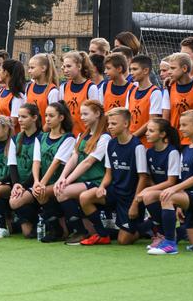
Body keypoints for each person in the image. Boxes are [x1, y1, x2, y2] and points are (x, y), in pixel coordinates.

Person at [147, 110, 193, 255]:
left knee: (166, 196)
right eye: (180, 125)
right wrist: (179, 205)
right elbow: (184, 178)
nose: (181, 128)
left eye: (184, 125)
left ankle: (169, 243)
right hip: (190, 197)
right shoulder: (186, 149)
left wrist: (174, 191)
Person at [78, 107, 148, 246]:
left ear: (126, 124)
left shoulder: (137, 146)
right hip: (114, 192)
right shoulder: (111, 143)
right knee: (85, 197)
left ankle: (147, 226)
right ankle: (102, 235)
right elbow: (109, 173)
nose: (110, 127)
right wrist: (102, 187)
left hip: (130, 197)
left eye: (114, 124)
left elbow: (143, 178)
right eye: (109, 124)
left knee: (123, 241)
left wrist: (135, 204)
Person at [54, 100, 111, 245]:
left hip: (97, 181)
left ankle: (81, 232)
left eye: (86, 114)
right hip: (82, 181)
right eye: (81, 114)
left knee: (62, 192)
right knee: (60, 189)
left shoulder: (104, 137)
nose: (82, 117)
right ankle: (85, 231)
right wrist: (62, 177)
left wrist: (67, 181)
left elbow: (87, 162)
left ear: (97, 114)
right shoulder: (81, 136)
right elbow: (74, 158)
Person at [25, 101, 77, 242]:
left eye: (51, 116)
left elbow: (56, 162)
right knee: (36, 193)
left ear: (61, 118)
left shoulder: (68, 138)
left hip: (60, 182)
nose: (47, 119)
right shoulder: (41, 137)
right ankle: (56, 227)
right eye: (46, 115)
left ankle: (57, 229)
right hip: (44, 182)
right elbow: (37, 162)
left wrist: (42, 183)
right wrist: (36, 181)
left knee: (41, 192)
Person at [136, 119, 182, 249]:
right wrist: (150, 188)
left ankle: (166, 234)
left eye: (151, 131)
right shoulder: (149, 152)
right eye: (147, 130)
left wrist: (148, 190)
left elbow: (171, 182)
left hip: (176, 192)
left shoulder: (172, 152)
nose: (147, 133)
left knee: (147, 196)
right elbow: (149, 178)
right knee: (137, 230)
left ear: (162, 134)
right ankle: (163, 231)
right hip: (159, 193)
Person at [6, 103, 44, 238]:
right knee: (27, 234)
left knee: (15, 201)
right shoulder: (15, 139)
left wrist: (23, 186)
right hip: (20, 184)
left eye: (24, 117)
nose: (20, 120)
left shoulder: (41, 137)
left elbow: (39, 168)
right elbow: (12, 165)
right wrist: (16, 184)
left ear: (34, 118)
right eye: (19, 116)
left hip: (34, 183)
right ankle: (29, 220)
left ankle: (41, 216)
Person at [59, 51, 101, 137]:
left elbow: (96, 115)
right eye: (64, 67)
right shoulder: (63, 87)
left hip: (85, 136)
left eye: (69, 66)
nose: (65, 70)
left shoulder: (91, 88)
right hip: (67, 136)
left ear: (79, 66)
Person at [127, 55, 163, 147]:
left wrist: (133, 136)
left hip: (146, 144)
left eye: (135, 69)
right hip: (129, 140)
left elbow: (153, 120)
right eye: (130, 69)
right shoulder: (131, 90)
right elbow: (126, 115)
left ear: (145, 70)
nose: (131, 73)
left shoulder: (155, 92)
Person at [162, 52, 193, 132]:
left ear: (184, 68)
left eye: (173, 68)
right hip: (175, 138)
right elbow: (165, 117)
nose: (169, 72)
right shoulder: (168, 86)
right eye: (169, 68)